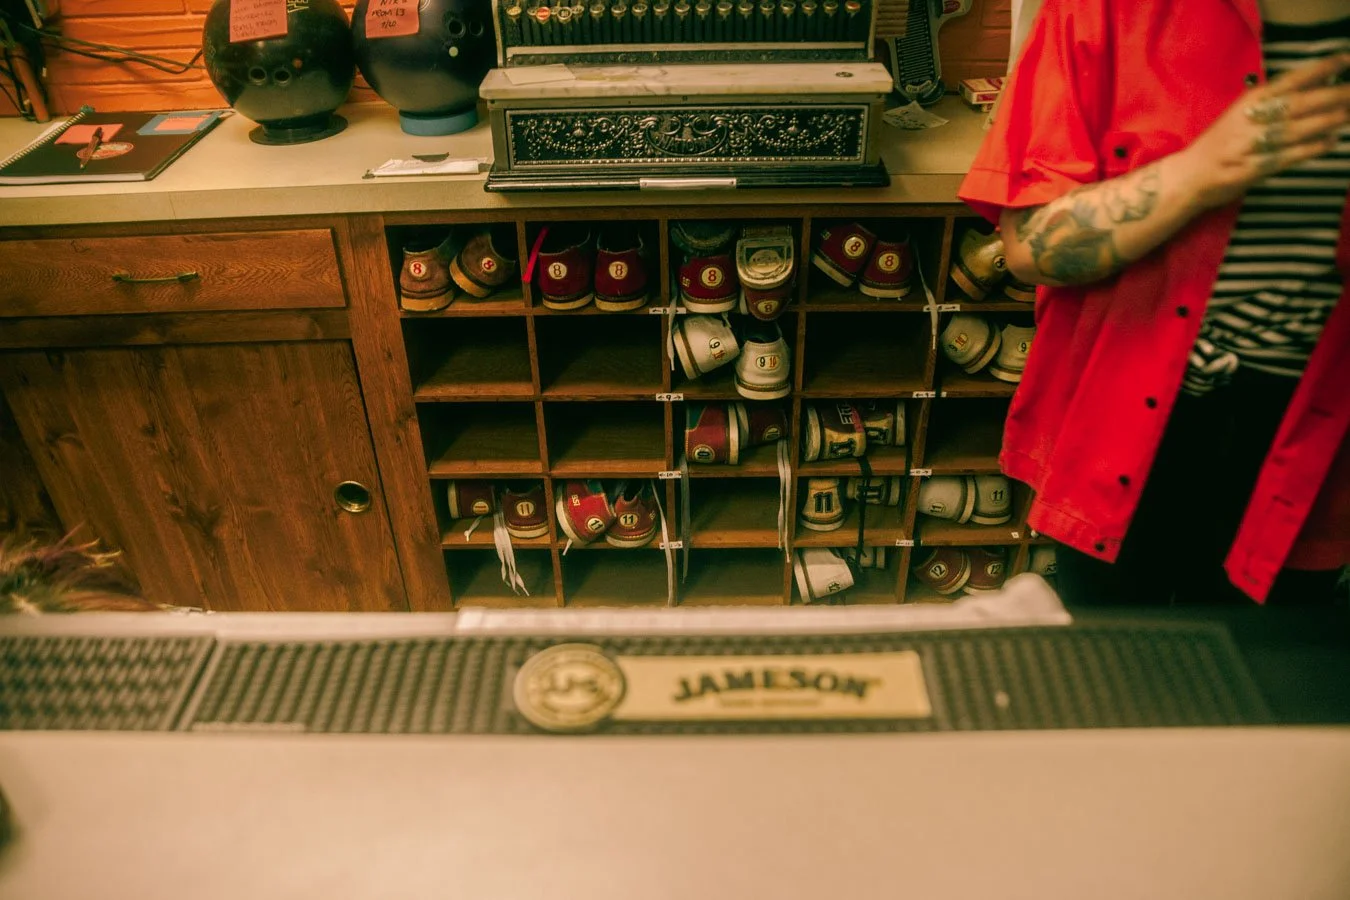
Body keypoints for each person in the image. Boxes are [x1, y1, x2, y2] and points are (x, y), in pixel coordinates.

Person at [957, 0, 1350, 607]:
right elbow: (1030, 245)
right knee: (1113, 672)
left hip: (1316, 454)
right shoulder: (1105, 10)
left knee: (1264, 684)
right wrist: (1199, 172)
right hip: (1122, 423)